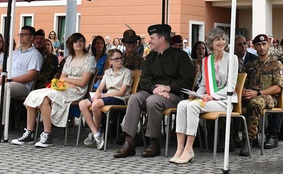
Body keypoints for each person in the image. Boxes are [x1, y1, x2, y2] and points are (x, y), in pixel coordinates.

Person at [114, 24, 195, 159]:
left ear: (162, 39)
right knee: (134, 98)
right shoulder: (150, 57)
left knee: (153, 101)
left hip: (174, 95)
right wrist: (155, 89)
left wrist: (168, 88)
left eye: (152, 38)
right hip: (154, 92)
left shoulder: (180, 56)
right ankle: (129, 142)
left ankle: (154, 142)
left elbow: (187, 81)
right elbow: (144, 80)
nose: (149, 41)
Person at [12, 32, 96, 148]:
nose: (78, 43)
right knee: (33, 94)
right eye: (76, 41)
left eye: (81, 41)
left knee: (45, 97)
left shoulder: (89, 59)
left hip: (76, 91)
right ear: (71, 44)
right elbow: (62, 77)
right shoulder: (70, 58)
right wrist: (67, 81)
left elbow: (82, 82)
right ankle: (29, 133)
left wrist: (67, 80)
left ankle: (47, 134)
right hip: (65, 88)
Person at [170, 28, 238, 164]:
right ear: (210, 43)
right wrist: (197, 95)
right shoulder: (207, 60)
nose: (221, 42)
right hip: (207, 100)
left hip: (224, 100)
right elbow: (203, 85)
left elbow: (231, 86)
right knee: (182, 104)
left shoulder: (232, 58)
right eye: (217, 39)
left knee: (193, 107)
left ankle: (189, 148)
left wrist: (211, 96)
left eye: (223, 39)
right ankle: (180, 148)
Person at [239, 34, 283, 155]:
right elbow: (241, 81)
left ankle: (249, 139)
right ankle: (230, 138)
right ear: (254, 47)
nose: (261, 47)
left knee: (256, 103)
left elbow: (278, 88)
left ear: (269, 45)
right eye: (258, 45)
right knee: (230, 102)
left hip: (269, 98)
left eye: (264, 44)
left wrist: (258, 93)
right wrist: (243, 90)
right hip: (250, 95)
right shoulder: (249, 65)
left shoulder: (276, 64)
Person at [79, 47, 134, 149]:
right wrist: (96, 96)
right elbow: (100, 88)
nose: (120, 60)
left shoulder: (126, 72)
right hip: (106, 97)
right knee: (82, 104)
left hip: (119, 98)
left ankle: (96, 131)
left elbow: (122, 92)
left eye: (121, 58)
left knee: (96, 104)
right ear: (110, 61)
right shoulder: (107, 72)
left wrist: (105, 96)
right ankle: (96, 133)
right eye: (116, 59)